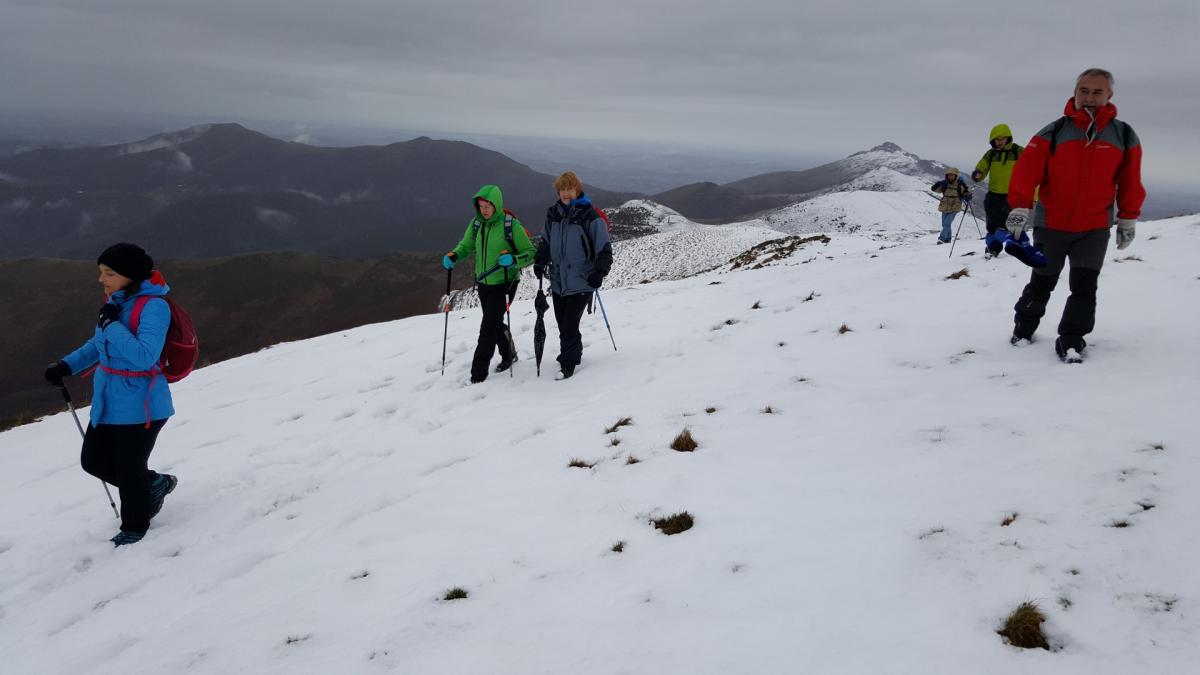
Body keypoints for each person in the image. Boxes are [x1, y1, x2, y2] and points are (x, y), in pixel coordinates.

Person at [1004, 68, 1145, 361]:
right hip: (1051, 224)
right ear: (1075, 92)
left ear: (1109, 95)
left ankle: (1072, 338)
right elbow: (1027, 171)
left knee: (1084, 286)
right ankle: (1024, 328)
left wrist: (1128, 217)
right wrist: (1020, 207)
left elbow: (1130, 179)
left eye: (1097, 92)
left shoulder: (1124, 135)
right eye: (1084, 91)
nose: (1089, 97)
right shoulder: (1054, 131)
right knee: (1043, 280)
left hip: (1093, 227)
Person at [42, 243, 178, 546]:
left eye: (109, 273)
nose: (101, 279)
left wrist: (112, 324)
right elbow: (97, 345)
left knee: (129, 470)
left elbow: (144, 356)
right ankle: (154, 483)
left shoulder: (154, 306)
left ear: (129, 275)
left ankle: (134, 528)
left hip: (143, 405)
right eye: (101, 272)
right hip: (109, 399)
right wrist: (66, 365)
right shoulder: (116, 303)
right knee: (93, 461)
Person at [443, 185, 536, 383]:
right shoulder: (477, 224)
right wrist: (455, 254)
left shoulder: (511, 225)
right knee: (493, 322)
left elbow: (530, 253)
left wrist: (513, 260)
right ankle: (509, 354)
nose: (484, 210)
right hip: (484, 282)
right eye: (481, 206)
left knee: (487, 329)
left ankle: (478, 375)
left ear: (497, 205)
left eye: (488, 206)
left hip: (505, 282)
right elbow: (466, 245)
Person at [533, 172, 612, 380]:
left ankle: (568, 362)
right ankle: (572, 351)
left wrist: (599, 273)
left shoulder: (589, 216)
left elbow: (604, 249)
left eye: (571, 189)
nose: (567, 193)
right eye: (563, 189)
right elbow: (546, 242)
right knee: (562, 322)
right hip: (559, 280)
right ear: (558, 191)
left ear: (577, 190)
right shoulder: (553, 214)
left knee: (569, 323)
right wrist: (540, 260)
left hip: (582, 280)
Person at [972, 124, 1023, 255]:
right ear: (992, 140)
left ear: (1008, 138)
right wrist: (978, 174)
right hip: (993, 194)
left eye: (1002, 139)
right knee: (991, 225)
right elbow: (982, 166)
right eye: (996, 139)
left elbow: (1030, 169)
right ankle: (991, 248)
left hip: (1011, 195)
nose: (999, 142)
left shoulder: (1018, 151)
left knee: (1005, 225)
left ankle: (996, 246)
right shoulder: (991, 154)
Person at [930, 168, 972, 244]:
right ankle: (948, 239)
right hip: (945, 205)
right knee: (944, 224)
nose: (950, 176)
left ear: (956, 176)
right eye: (949, 175)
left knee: (947, 223)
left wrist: (968, 196)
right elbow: (933, 189)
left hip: (955, 206)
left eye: (952, 175)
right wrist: (938, 183)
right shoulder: (945, 184)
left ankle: (941, 239)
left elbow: (966, 193)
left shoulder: (960, 184)